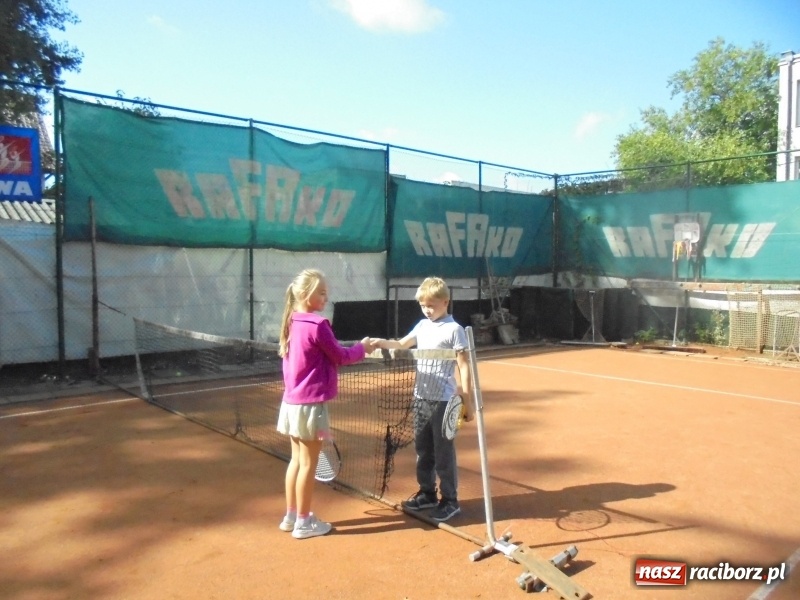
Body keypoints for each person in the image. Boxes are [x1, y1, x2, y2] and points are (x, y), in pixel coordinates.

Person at [276, 268, 379, 539]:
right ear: (304, 294)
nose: (325, 297)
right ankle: (303, 522)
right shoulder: (318, 325)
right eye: (321, 292)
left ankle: (290, 516)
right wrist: (362, 348)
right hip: (311, 405)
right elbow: (340, 356)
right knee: (308, 464)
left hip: (291, 403)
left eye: (326, 293)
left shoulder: (291, 321)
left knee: (296, 461)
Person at [375, 276, 472, 522]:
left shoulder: (455, 330)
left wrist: (467, 399)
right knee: (423, 449)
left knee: (443, 452)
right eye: (423, 305)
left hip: (444, 401)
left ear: (445, 302)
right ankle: (427, 493)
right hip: (421, 399)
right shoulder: (421, 326)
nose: (427, 310)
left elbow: (464, 365)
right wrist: (378, 343)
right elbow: (400, 344)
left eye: (432, 305)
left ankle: (450, 500)